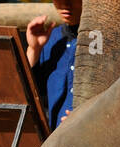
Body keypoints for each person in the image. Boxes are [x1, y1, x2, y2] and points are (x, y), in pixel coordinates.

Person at [25, 0, 80, 130]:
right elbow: (31, 93)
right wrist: (34, 49)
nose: (66, 4)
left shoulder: (103, 41)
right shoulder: (50, 39)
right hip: (54, 137)